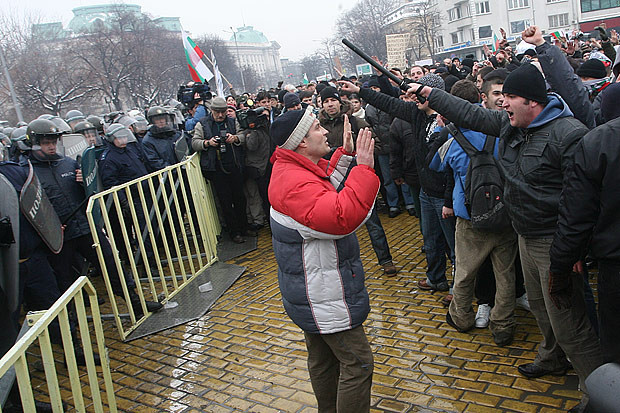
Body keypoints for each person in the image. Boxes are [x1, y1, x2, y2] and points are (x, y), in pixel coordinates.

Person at [407, 60, 602, 407]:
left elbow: (583, 203)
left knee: (570, 323)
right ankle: (551, 356)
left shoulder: (568, 135)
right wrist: (430, 94)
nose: (503, 103)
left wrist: (571, 252)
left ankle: (597, 391)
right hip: (525, 236)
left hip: (555, 243)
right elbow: (470, 114)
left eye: (510, 96)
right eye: (503, 96)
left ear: (533, 101)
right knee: (542, 309)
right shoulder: (512, 126)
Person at [268, 107, 378, 412]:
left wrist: (344, 155)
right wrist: (364, 169)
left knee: (324, 360)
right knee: (358, 363)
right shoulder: (294, 182)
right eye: (317, 128)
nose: (324, 131)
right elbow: (341, 216)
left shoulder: (294, 170)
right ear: (301, 142)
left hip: (311, 291)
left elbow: (324, 189)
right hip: (323, 295)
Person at [26, 119, 162, 318]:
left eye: (54, 141)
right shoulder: (29, 172)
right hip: (58, 237)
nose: (51, 146)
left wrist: (85, 183)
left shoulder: (69, 163)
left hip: (85, 227)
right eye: (46, 142)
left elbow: (89, 193)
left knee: (112, 265)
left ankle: (136, 303)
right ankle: (72, 323)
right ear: (34, 143)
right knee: (65, 281)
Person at [340, 74, 456, 292]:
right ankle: (436, 278)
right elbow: (389, 103)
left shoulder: (450, 119)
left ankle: (458, 288)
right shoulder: (416, 114)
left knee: (454, 244)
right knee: (431, 240)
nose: (414, 98)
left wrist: (449, 199)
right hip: (426, 192)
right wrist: (359, 91)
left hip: (445, 195)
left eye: (420, 93)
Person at [429, 80, 518, 346]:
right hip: (504, 214)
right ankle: (503, 325)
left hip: (469, 217)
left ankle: (462, 317)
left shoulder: (450, 138)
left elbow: (435, 165)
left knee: (465, 273)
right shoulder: (504, 131)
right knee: (506, 273)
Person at [550, 82, 620, 365]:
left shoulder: (598, 142)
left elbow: (577, 215)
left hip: (615, 266)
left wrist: (562, 265)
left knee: (616, 348)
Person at [318, 86, 397, 276]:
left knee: (372, 222)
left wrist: (354, 152)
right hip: (331, 181)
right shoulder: (318, 126)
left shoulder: (356, 121)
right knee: (336, 226)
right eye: (326, 101)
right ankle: (343, 269)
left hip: (356, 179)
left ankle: (385, 260)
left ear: (340, 101)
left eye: (333, 100)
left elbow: (376, 145)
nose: (330, 104)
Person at [191, 97, 249, 243]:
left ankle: (244, 227)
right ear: (212, 111)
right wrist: (207, 143)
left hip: (234, 166)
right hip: (216, 168)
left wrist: (235, 138)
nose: (221, 115)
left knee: (240, 199)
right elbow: (194, 142)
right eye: (217, 112)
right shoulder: (203, 124)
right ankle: (234, 232)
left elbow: (243, 135)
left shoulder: (232, 121)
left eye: (223, 112)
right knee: (225, 202)